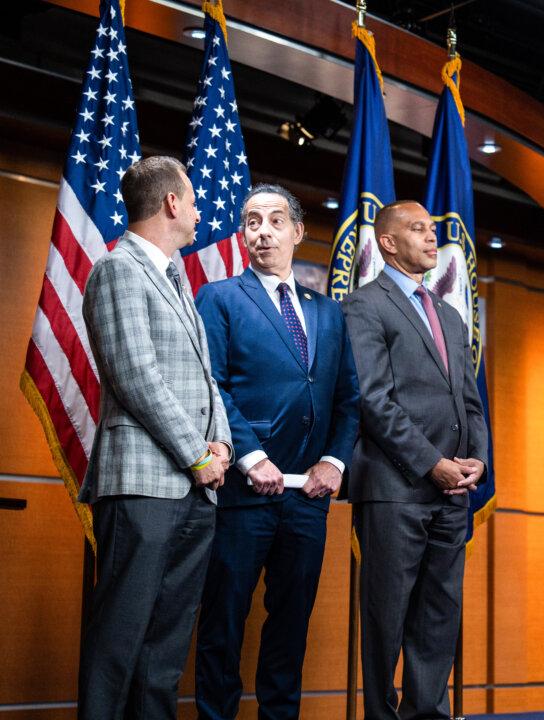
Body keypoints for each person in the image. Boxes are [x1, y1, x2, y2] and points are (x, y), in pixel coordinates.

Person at [193, 185, 361, 719]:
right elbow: (212, 386)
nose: (261, 230)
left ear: (297, 232)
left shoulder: (329, 313)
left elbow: (348, 400)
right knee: (223, 623)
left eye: (274, 220)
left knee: (291, 627)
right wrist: (250, 455)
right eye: (251, 222)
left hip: (307, 500)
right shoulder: (219, 298)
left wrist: (334, 463)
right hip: (242, 493)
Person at [77, 155, 232, 719]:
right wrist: (197, 453)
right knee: (119, 642)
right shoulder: (118, 269)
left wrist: (221, 446)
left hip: (195, 490)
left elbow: (204, 381)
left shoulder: (175, 279)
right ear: (171, 203)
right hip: (143, 488)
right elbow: (136, 374)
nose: (197, 211)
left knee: (164, 656)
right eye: (191, 200)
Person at [342, 199, 489, 720]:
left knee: (438, 616)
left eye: (433, 229)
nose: (433, 238)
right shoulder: (365, 305)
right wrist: (432, 463)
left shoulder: (448, 314)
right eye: (419, 229)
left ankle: (426, 714)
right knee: (387, 616)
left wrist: (477, 460)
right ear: (387, 242)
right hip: (395, 489)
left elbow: (469, 402)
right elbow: (374, 401)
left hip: (453, 494)